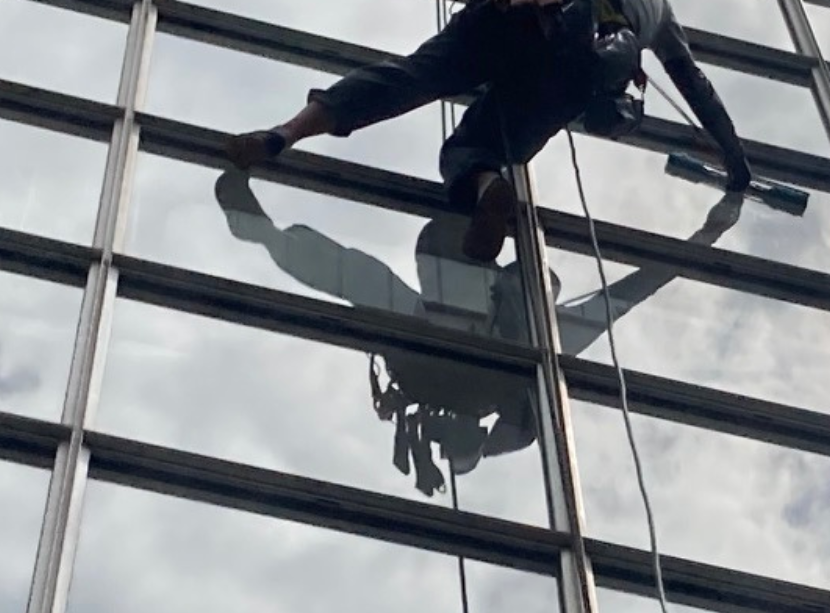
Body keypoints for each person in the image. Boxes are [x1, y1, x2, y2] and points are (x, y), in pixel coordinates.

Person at [209, 166, 743, 495]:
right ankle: (260, 233)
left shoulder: (530, 342)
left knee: (352, 275)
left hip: (440, 313)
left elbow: (347, 273)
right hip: (442, 325)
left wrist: (705, 238)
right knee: (355, 276)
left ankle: (260, 233)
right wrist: (703, 239)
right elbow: (632, 291)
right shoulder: (542, 340)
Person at [222, 0, 755, 262]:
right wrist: (736, 163)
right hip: (571, 68)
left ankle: (284, 134)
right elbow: (696, 87)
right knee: (476, 145)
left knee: (411, 77)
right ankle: (488, 186)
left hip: (518, 6)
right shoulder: (659, 9)